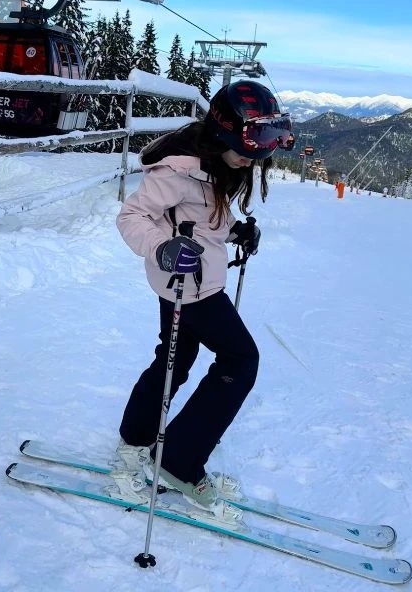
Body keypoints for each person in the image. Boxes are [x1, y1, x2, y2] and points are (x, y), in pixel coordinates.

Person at [114, 81, 291, 517]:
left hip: (198, 281)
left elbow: (204, 219)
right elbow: (131, 215)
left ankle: (136, 445)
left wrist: (235, 232)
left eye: (264, 148)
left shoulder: (215, 165)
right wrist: (162, 248)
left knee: (173, 362)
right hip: (185, 285)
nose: (255, 158)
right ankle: (177, 460)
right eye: (251, 147)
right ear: (224, 133)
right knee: (240, 360)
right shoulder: (176, 171)